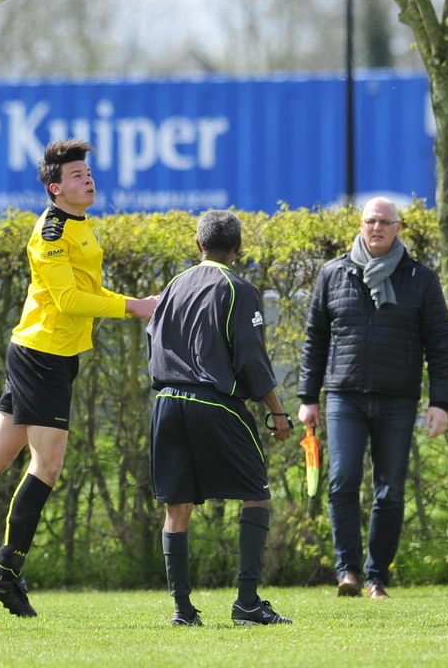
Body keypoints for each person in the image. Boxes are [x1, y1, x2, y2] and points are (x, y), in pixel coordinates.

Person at [0, 139, 158, 617]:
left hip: (52, 354)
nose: (87, 178)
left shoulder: (82, 226)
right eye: (77, 175)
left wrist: (133, 302)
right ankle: (5, 572)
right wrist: (132, 307)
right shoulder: (49, 231)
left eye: (88, 171)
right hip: (40, 354)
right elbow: (66, 301)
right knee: (46, 466)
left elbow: (85, 290)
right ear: (54, 188)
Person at [297, 197, 448, 600]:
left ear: (399, 228)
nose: (377, 228)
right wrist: (307, 397)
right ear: (361, 225)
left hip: (398, 398)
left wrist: (440, 402)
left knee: (390, 491)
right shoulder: (334, 273)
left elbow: (440, 345)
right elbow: (315, 338)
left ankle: (375, 578)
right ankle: (347, 571)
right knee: (343, 480)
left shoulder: (421, 279)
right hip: (343, 396)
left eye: (385, 222)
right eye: (370, 221)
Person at [147, 209, 294, 627]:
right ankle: (247, 603)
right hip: (212, 401)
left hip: (166, 402)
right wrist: (277, 413)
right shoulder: (238, 287)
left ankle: (182, 611)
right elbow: (251, 358)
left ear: (198, 246)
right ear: (238, 248)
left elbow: (152, 341)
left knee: (176, 507)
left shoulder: (173, 285)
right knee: (256, 493)